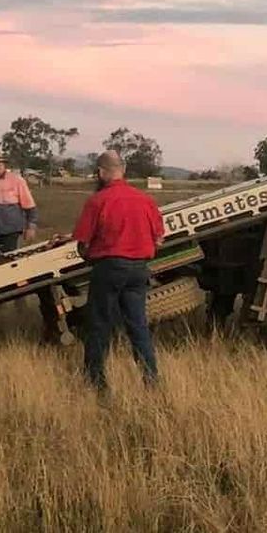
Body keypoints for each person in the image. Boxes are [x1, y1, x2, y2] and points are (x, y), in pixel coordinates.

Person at [71, 149, 165, 390]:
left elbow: (83, 242)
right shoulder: (145, 200)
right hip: (139, 270)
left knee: (100, 324)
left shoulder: (97, 201)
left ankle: (96, 382)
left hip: (110, 267)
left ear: (102, 173)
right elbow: (159, 239)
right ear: (122, 171)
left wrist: (89, 257)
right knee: (138, 325)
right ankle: (151, 380)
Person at [0, 149, 38, 258]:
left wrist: (31, 227)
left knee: (9, 261)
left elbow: (30, 207)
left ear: (3, 164)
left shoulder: (17, 180)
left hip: (11, 231)